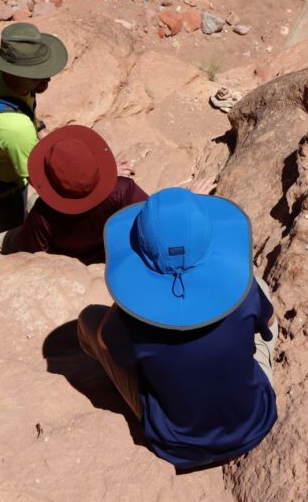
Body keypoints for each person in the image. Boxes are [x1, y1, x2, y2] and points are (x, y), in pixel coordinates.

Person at [77, 187, 278, 469]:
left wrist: (130, 298)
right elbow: (268, 323)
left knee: (89, 319)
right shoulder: (241, 291)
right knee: (256, 285)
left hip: (178, 445)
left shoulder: (130, 319)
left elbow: (106, 344)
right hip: (254, 422)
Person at [0, 22, 68, 243]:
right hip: (2, 190)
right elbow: (38, 178)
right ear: (14, 72)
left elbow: (18, 106)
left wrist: (39, 128)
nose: (47, 78)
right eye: (36, 74)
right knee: (4, 235)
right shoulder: (14, 128)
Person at [0, 125, 148, 262]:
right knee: (32, 202)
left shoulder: (42, 215)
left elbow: (31, 256)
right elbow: (149, 218)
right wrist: (109, 175)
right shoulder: (122, 189)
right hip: (104, 249)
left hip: (67, 256)